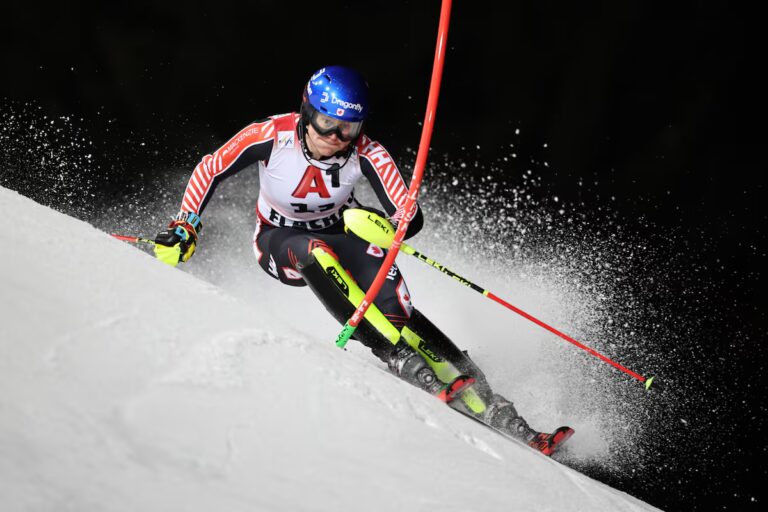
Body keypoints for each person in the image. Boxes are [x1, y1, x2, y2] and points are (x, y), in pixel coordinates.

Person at [153, 65, 570, 454]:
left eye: (348, 127)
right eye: (327, 123)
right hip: (279, 239)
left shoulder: (367, 152)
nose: (336, 136)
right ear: (307, 113)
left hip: (343, 233)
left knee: (397, 308)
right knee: (315, 253)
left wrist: (396, 222)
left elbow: (407, 212)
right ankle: (392, 353)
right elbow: (211, 168)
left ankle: (493, 402)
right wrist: (186, 224)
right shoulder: (271, 135)